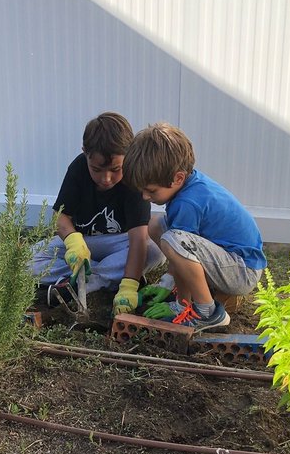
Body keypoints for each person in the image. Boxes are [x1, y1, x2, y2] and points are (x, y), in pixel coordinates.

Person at [122, 122, 266, 332]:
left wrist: (179, 304)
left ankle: (207, 312)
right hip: (233, 261)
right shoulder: (190, 184)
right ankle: (191, 301)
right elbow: (184, 249)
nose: (145, 196)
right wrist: (168, 281)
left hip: (242, 271)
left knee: (172, 240)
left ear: (178, 177)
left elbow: (179, 249)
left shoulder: (187, 203)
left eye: (151, 190)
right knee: (155, 225)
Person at [30, 112, 164, 316]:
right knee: (28, 261)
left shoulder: (134, 176)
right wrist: (72, 241)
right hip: (84, 242)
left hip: (121, 242)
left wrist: (128, 286)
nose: (106, 178)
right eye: (97, 169)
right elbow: (61, 217)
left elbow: (137, 239)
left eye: (115, 169)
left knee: (154, 252)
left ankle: (90, 282)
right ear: (85, 153)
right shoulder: (78, 168)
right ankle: (106, 275)